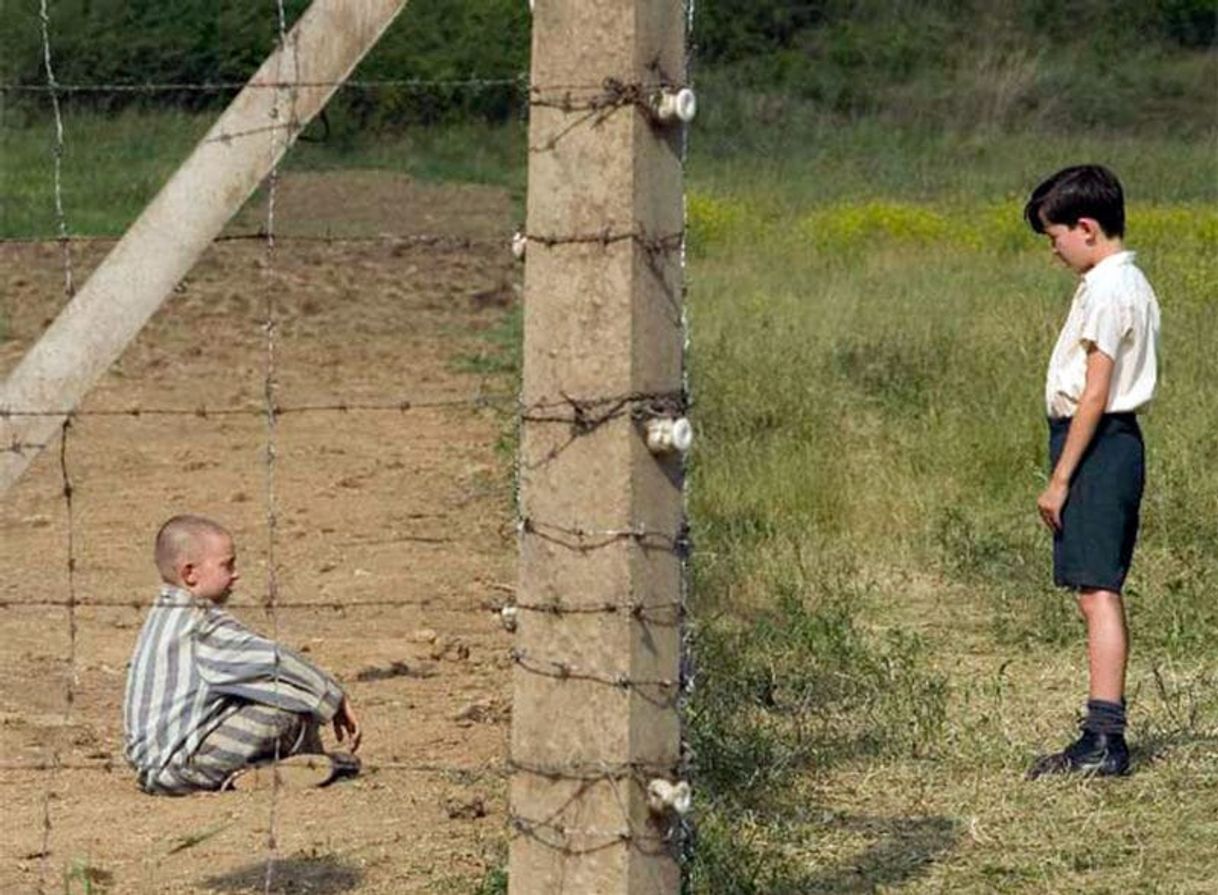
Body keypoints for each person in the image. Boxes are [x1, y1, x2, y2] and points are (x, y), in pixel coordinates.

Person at [1022, 165, 1161, 779]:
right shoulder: (1118, 282)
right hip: (1100, 442)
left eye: (1054, 237)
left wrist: (1061, 478)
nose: (1053, 251)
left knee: (1098, 592)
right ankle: (1101, 733)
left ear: (1085, 226)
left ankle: (1105, 738)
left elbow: (1096, 392)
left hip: (1099, 442)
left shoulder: (1110, 289)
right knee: (1091, 590)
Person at [123, 514, 362, 794]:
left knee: (258, 693)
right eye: (228, 565)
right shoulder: (201, 626)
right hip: (182, 765)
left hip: (153, 768)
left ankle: (266, 769)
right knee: (287, 704)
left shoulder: (165, 614)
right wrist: (332, 695)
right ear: (190, 574)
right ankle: (298, 764)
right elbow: (273, 660)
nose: (236, 574)